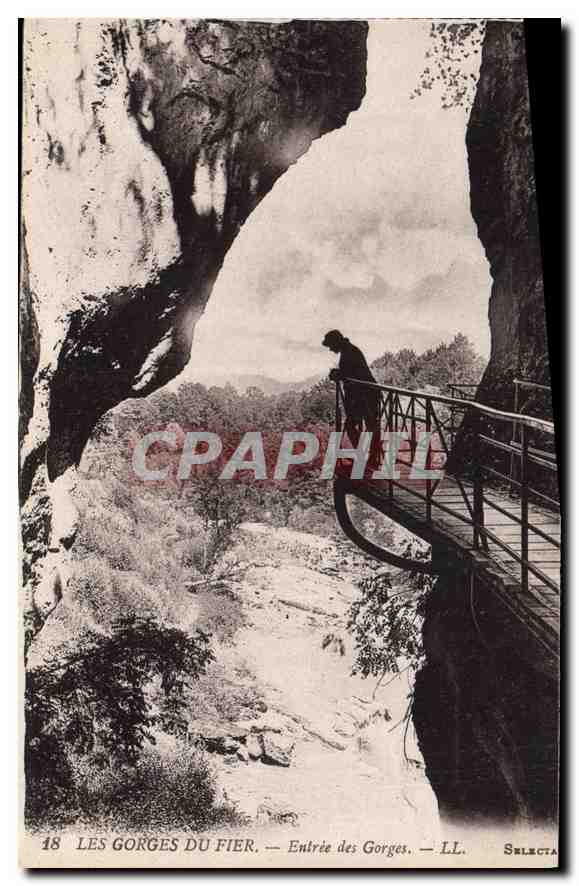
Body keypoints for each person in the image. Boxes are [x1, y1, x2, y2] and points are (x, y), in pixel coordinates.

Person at [322, 330, 382, 466]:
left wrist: (337, 374)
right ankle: (371, 458)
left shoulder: (349, 352)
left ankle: (369, 458)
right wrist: (339, 373)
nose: (330, 349)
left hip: (365, 395)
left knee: (365, 426)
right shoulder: (349, 350)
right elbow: (350, 372)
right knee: (369, 426)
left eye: (330, 345)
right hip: (365, 394)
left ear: (336, 342)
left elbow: (350, 373)